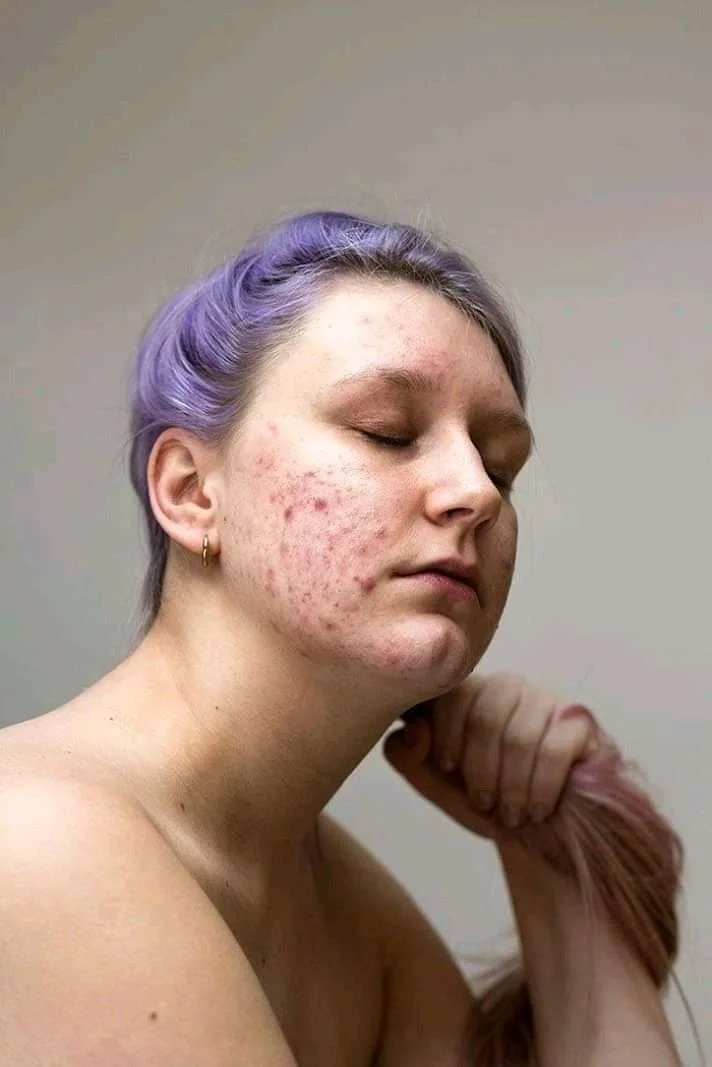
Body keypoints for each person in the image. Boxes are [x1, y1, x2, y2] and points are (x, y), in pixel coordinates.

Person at [0, 210, 682, 1066]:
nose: (477, 490)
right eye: (386, 431)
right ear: (190, 492)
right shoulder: (41, 842)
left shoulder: (346, 915)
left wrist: (558, 863)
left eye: (500, 463)